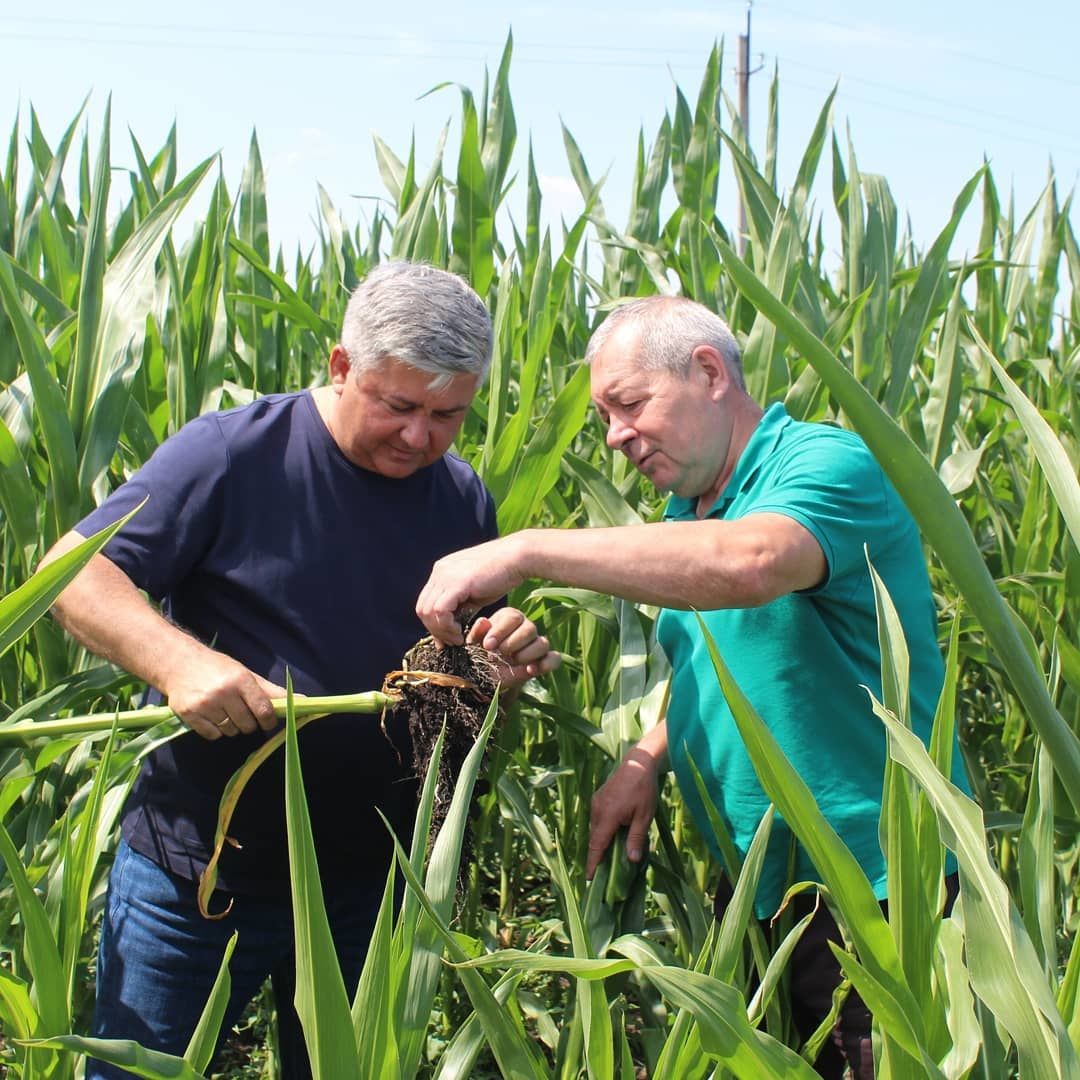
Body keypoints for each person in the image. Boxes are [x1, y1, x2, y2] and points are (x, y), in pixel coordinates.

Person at [415, 295, 969, 1079]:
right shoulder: (686, 515)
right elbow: (724, 663)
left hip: (878, 888)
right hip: (756, 883)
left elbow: (752, 565)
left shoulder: (824, 465)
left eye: (629, 405)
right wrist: (647, 755)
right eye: (605, 417)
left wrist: (526, 549)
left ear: (709, 372)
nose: (614, 436)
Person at [40, 261, 560, 1079]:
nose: (421, 438)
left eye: (447, 415)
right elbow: (73, 573)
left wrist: (499, 660)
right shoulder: (231, 455)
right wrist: (179, 661)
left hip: (370, 884)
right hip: (201, 879)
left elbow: (454, 668)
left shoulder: (460, 497)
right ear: (342, 366)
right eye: (399, 406)